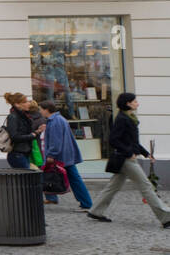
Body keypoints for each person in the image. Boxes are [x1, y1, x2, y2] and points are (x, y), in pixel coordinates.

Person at [87, 93, 170, 228]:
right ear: (128, 103)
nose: (137, 103)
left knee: (113, 186)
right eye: (135, 101)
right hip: (126, 159)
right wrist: (129, 152)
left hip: (126, 158)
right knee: (146, 186)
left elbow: (132, 141)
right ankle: (166, 217)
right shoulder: (121, 119)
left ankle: (95, 211)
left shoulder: (129, 117)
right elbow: (113, 139)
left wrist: (146, 153)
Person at [39, 100, 93, 210]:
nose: (40, 112)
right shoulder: (57, 119)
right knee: (75, 179)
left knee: (75, 179)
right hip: (65, 155)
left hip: (62, 157)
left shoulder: (55, 121)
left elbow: (55, 141)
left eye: (41, 109)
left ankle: (86, 203)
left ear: (46, 110)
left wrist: (51, 155)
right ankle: (85, 202)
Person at [2, 92, 38, 169]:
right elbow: (14, 136)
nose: (28, 103)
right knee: (27, 179)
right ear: (17, 104)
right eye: (25, 102)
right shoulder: (13, 117)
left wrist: (36, 132)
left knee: (29, 179)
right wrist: (31, 136)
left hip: (25, 153)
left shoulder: (24, 116)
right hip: (17, 155)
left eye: (27, 101)